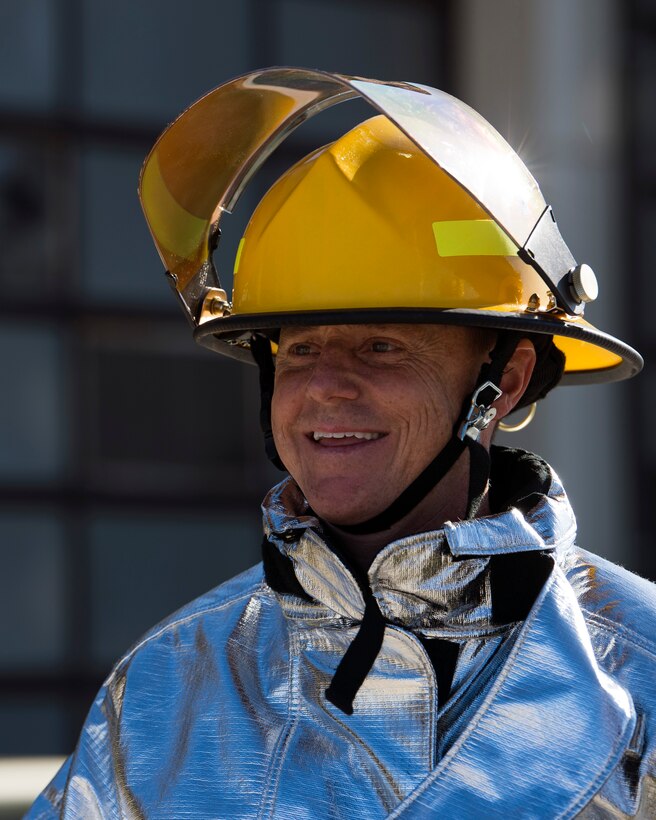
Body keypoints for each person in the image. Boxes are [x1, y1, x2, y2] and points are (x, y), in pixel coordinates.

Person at [29, 68, 655, 819]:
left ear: (506, 380)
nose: (326, 387)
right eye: (298, 350)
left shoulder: (640, 682)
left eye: (383, 347)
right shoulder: (165, 691)